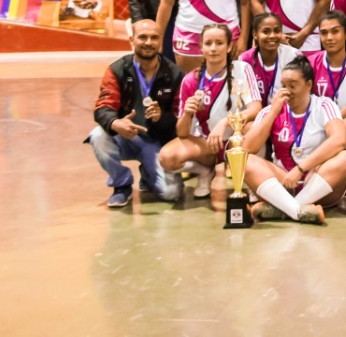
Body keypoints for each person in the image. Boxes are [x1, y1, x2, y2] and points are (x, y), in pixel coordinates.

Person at [242, 55, 346, 224]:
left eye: (293, 85)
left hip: (317, 182)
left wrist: (301, 169)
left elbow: (339, 139)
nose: (286, 91)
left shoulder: (324, 105)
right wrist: (273, 112)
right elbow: (248, 147)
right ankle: (297, 210)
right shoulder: (271, 110)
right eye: (283, 86)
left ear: (309, 85)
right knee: (243, 159)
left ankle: (284, 209)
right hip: (282, 184)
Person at [88, 19, 185, 207]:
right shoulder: (117, 70)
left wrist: (161, 118)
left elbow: (179, 119)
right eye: (143, 37)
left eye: (154, 38)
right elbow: (103, 107)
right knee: (97, 135)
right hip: (125, 137)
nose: (148, 42)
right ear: (131, 40)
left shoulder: (175, 74)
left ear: (160, 41)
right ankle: (121, 185)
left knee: (171, 193)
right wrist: (116, 123)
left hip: (157, 142)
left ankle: (148, 174)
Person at [158, 23, 262, 197]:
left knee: (255, 129)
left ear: (229, 46)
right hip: (207, 145)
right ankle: (205, 171)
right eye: (208, 43)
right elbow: (182, 133)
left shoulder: (241, 69)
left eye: (219, 43)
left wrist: (225, 122)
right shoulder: (191, 80)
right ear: (201, 47)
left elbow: (256, 108)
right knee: (167, 158)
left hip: (237, 139)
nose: (213, 48)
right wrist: (188, 114)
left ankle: (251, 181)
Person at [307, 11, 346, 150]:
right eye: (324, 33)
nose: (329, 38)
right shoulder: (311, 61)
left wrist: (327, 122)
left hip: (343, 120)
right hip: (315, 121)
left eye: (335, 31)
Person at [238, 12, 301, 105]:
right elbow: (242, 98)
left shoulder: (293, 55)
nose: (272, 36)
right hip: (255, 115)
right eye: (266, 31)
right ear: (255, 34)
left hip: (286, 113)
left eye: (277, 31)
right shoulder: (245, 59)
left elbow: (300, 93)